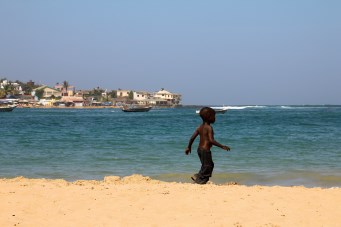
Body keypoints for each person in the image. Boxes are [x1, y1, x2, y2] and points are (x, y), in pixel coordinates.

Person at [185, 107, 230, 184]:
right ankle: (201, 180)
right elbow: (211, 140)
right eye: (214, 116)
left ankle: (197, 176)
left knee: (206, 165)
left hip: (199, 149)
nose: (215, 118)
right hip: (205, 150)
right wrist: (222, 146)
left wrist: (189, 147)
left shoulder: (200, 127)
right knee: (208, 166)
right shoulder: (209, 128)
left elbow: (192, 138)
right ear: (209, 117)